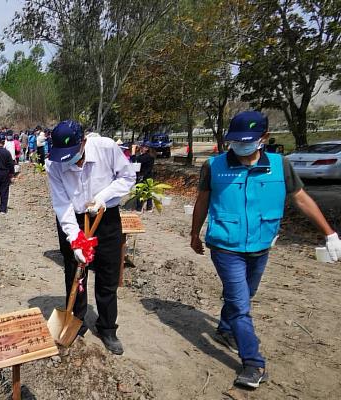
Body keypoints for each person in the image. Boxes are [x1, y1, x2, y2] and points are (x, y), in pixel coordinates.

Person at [189, 110, 341, 388]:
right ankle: (253, 364)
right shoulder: (214, 166)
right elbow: (202, 201)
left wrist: (329, 233)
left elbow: (301, 199)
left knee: (245, 295)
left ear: (264, 138)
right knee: (240, 305)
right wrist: (194, 233)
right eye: (236, 141)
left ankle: (225, 329)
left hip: (261, 243)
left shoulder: (280, 165)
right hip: (225, 244)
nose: (241, 146)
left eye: (247, 140)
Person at [46, 120, 135, 355]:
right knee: (75, 272)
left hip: (105, 218)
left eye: (72, 154)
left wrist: (104, 197)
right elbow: (61, 204)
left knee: (107, 271)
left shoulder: (106, 148)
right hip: (73, 218)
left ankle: (107, 327)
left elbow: (127, 178)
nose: (68, 161)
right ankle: (78, 320)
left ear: (83, 142)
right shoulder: (53, 164)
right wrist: (75, 239)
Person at [131, 144, 155, 212]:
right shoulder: (150, 156)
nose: (141, 148)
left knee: (139, 192)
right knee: (148, 192)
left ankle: (139, 208)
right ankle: (149, 208)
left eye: (142, 147)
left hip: (142, 176)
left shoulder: (145, 157)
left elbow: (134, 161)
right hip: (149, 176)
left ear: (147, 148)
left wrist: (133, 151)